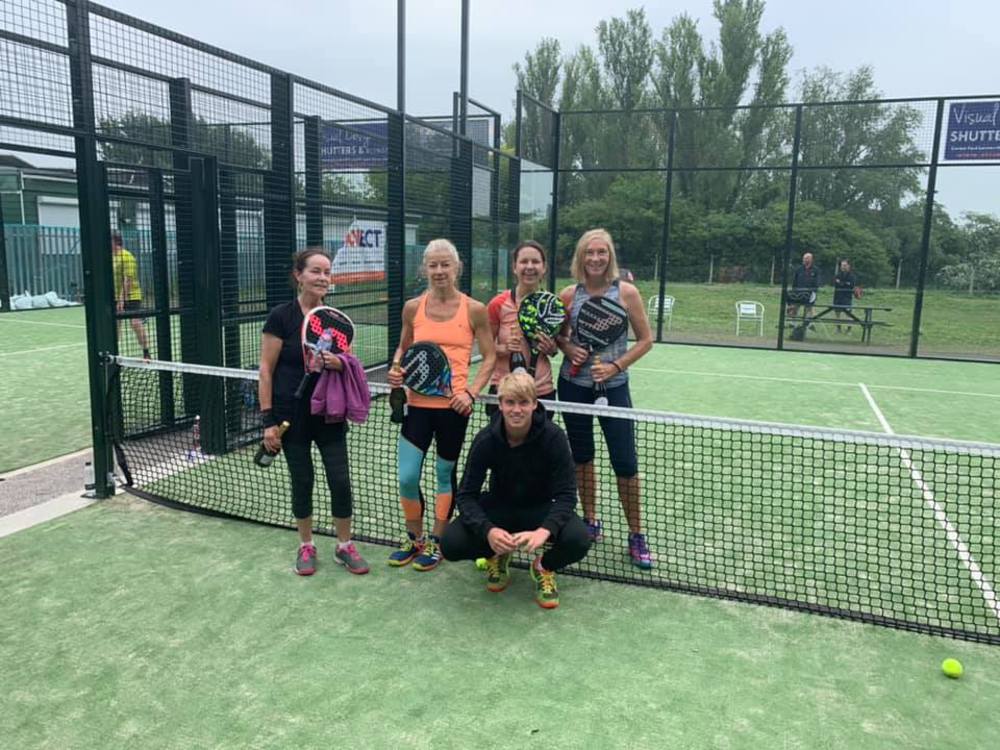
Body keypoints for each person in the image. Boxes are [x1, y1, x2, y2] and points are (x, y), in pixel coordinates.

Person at [386, 239, 496, 571]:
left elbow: (490, 357)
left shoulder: (474, 309)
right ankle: (414, 538)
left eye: (445, 264)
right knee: (407, 477)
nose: (439, 271)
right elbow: (403, 348)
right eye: (433, 265)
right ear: (424, 269)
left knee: (444, 475)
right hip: (417, 406)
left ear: (457, 267)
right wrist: (396, 368)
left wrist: (471, 392)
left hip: (454, 409)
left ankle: (437, 540)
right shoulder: (412, 308)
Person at [258, 247, 369, 577]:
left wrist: (339, 363)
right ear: (299, 275)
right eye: (315, 271)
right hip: (290, 415)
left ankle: (344, 545)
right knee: (302, 480)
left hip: (328, 414)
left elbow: (347, 361)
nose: (323, 278)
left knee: (340, 481)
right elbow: (266, 370)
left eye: (327, 272)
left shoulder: (335, 319)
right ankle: (306, 545)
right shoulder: (281, 316)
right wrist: (268, 421)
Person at [440, 372, 591, 609]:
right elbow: (466, 495)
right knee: (450, 544)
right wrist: (488, 531)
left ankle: (543, 567)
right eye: (510, 402)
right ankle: (495, 553)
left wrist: (545, 530)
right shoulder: (486, 440)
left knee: (579, 539)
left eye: (523, 402)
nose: (517, 410)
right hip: (498, 508)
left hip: (540, 508)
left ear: (534, 404)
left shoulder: (554, 437)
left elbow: (567, 495)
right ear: (500, 405)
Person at [555, 228, 654, 570]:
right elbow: (558, 337)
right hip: (573, 387)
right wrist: (569, 348)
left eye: (602, 252)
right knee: (582, 458)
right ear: (580, 257)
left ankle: (636, 535)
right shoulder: (569, 295)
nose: (595, 258)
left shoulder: (626, 292)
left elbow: (645, 340)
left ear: (609, 256)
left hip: (614, 389)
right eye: (589, 252)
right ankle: (591, 520)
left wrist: (615, 366)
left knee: (625, 463)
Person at [485, 240, 559, 416]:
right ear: (514, 267)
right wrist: (504, 348)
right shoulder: (498, 304)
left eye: (535, 262)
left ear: (544, 267)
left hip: (541, 390)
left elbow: (558, 346)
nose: (530, 267)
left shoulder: (553, 305)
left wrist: (551, 349)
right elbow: (485, 348)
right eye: (524, 261)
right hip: (504, 389)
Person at [111, 231, 151, 360]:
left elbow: (127, 280)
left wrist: (121, 300)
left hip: (132, 296)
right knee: (115, 324)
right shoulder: (110, 257)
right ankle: (114, 353)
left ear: (115, 242)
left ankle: (146, 352)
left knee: (135, 323)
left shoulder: (127, 257)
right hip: (115, 296)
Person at [786, 251, 820, 319]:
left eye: (806, 258)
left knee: (809, 309)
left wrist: (814, 291)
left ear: (811, 259)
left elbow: (817, 282)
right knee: (794, 307)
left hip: (810, 293)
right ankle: (793, 322)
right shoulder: (799, 269)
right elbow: (795, 282)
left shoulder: (816, 270)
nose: (804, 260)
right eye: (803, 258)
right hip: (798, 293)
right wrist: (794, 291)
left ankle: (808, 323)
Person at [832, 259, 857, 333]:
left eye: (845, 265)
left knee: (848, 314)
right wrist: (843, 283)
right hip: (837, 297)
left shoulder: (852, 276)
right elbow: (835, 283)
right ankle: (838, 328)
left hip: (847, 297)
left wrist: (841, 283)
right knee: (837, 313)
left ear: (848, 266)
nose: (843, 267)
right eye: (842, 265)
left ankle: (849, 329)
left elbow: (851, 285)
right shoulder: (838, 275)